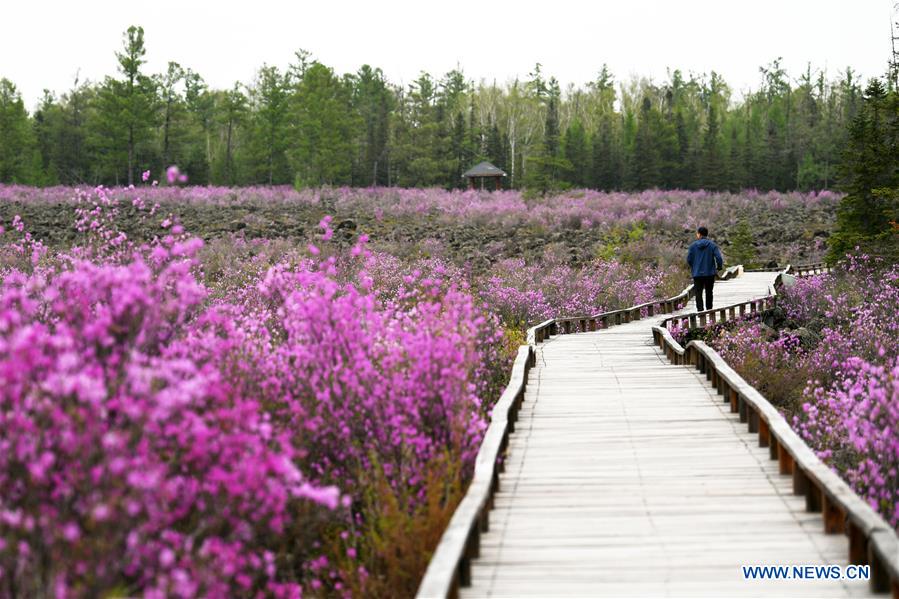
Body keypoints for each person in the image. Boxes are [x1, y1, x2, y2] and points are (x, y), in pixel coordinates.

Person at [686, 226, 723, 312]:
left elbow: (689, 260)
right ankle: (709, 311)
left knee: (698, 293)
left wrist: (694, 267)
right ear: (706, 234)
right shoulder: (712, 245)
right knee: (709, 292)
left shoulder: (693, 246)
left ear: (699, 234)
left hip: (697, 274)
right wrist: (719, 267)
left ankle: (700, 311)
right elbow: (719, 258)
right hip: (709, 273)